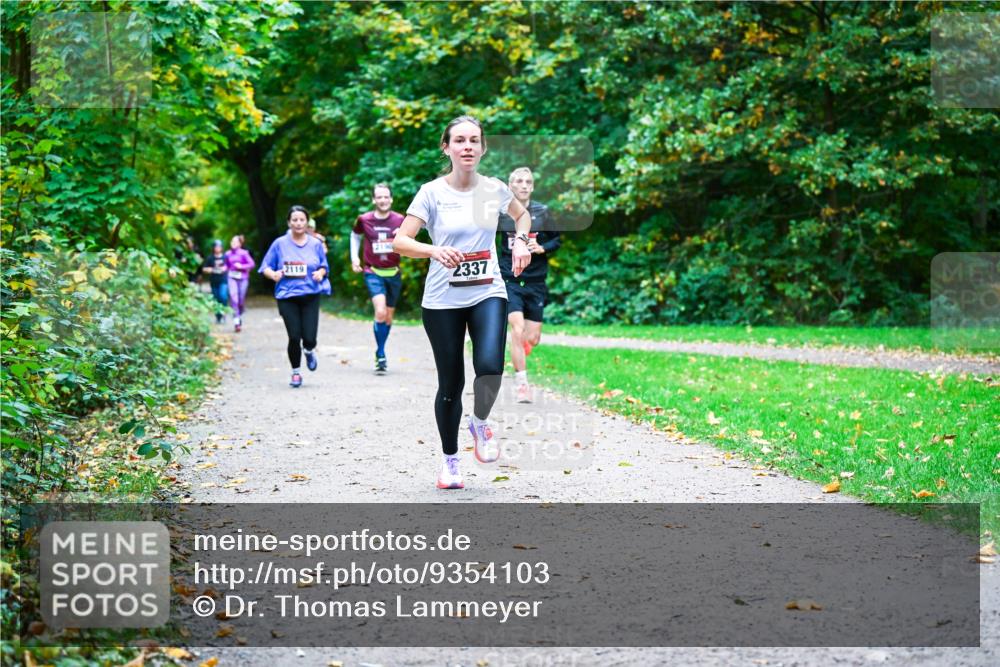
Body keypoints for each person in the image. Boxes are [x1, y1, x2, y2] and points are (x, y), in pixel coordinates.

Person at [394, 115, 532, 490]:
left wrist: (520, 241)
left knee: (490, 366)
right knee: (451, 381)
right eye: (460, 140)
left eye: (474, 140)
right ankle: (450, 461)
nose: (467, 146)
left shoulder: (494, 189)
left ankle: (481, 423)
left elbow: (522, 216)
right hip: (442, 299)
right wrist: (433, 250)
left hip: (488, 290)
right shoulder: (431, 192)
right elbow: (401, 241)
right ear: (447, 147)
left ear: (483, 148)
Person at [498, 167, 561, 403]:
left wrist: (542, 248)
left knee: (532, 338)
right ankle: (522, 383)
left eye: (528, 182)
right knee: (516, 329)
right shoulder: (501, 213)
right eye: (519, 182)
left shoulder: (543, 212)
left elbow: (556, 239)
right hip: (510, 277)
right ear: (510, 185)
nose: (524, 185)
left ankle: (521, 349)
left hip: (536, 280)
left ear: (532, 187)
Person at [259, 205, 331, 388]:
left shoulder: (315, 244)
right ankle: (296, 372)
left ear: (307, 222)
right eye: (295, 220)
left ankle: (308, 350)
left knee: (309, 338)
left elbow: (324, 266)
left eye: (301, 220)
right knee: (294, 336)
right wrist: (273, 274)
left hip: (310, 295)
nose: (298, 223)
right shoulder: (279, 244)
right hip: (287, 295)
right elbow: (265, 266)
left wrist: (320, 274)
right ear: (289, 223)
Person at [351, 183, 405, 374]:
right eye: (379, 197)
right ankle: (381, 354)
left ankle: (380, 349)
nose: (382, 200)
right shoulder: (364, 219)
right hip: (372, 271)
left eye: (386, 197)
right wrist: (354, 258)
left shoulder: (400, 219)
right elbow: (355, 236)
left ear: (391, 199)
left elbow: (411, 238)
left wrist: (403, 236)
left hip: (393, 272)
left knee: (389, 317)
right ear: (374, 200)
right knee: (380, 312)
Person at [224, 235, 255, 332]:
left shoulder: (244, 253)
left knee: (240, 300)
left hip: (243, 278)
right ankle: (236, 322)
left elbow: (252, 264)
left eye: (235, 242)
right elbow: (226, 266)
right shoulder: (227, 254)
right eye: (231, 241)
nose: (233, 243)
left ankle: (240, 312)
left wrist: (241, 266)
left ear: (240, 244)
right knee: (234, 299)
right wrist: (222, 269)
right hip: (231, 277)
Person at [201, 240, 228, 324]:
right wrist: (211, 269)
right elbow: (204, 269)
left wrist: (225, 268)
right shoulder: (210, 258)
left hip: (223, 280)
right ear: (213, 248)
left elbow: (230, 266)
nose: (217, 248)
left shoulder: (225, 257)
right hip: (214, 281)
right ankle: (218, 316)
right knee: (216, 298)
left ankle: (224, 313)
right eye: (216, 247)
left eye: (219, 247)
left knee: (223, 296)